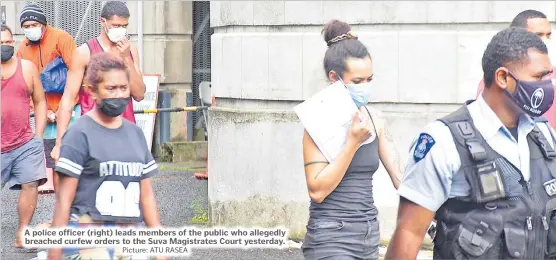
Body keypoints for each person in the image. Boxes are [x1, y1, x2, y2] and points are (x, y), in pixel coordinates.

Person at [385, 27, 556, 260]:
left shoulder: (544, 134)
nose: (548, 85)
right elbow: (409, 233)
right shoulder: (443, 141)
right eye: (538, 77)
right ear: (503, 78)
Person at [301, 20, 403, 260]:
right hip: (331, 237)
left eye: (369, 79)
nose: (365, 87)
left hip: (368, 236)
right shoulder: (317, 121)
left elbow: (401, 177)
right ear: (335, 78)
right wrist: (352, 143)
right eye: (357, 82)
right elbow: (316, 191)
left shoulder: (374, 119)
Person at [47, 52, 162, 260]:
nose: (118, 95)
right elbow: (64, 201)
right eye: (110, 88)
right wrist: (54, 253)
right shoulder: (79, 134)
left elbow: (146, 196)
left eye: (123, 88)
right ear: (92, 91)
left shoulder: (135, 134)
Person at [52, 0, 146, 164]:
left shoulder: (130, 51)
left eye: (124, 26)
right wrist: (60, 142)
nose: (120, 30)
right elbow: (68, 98)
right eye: (116, 25)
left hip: (125, 131)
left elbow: (139, 94)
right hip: (93, 133)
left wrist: (126, 60)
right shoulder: (84, 52)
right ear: (102, 21)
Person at [16, 3, 80, 192]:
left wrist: (64, 107)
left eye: (33, 24)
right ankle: (50, 182)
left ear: (43, 23)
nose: (30, 29)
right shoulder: (23, 48)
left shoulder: (62, 38)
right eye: (26, 27)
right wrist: (38, 109)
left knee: (71, 142)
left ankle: (74, 181)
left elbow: (76, 72)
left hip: (69, 102)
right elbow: (23, 85)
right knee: (45, 143)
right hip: (42, 107)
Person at [1, 24, 48, 248]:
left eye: (8, 42)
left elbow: (39, 101)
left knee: (31, 184)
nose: (5, 46)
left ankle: (23, 233)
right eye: (0, 43)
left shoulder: (27, 68)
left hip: (24, 143)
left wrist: (38, 135)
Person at [476, 9, 556, 130]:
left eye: (548, 35)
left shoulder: (551, 72)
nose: (545, 40)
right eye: (538, 35)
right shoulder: (494, 82)